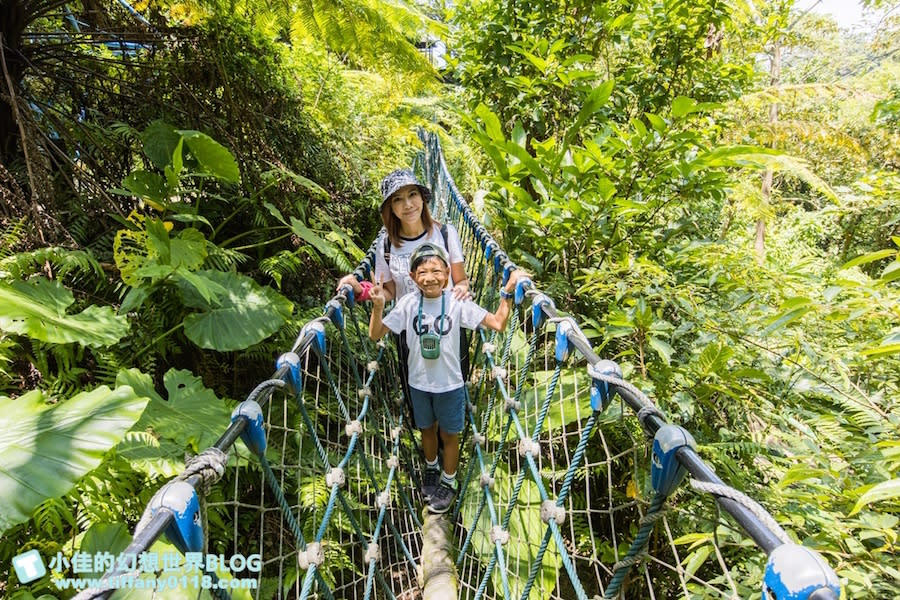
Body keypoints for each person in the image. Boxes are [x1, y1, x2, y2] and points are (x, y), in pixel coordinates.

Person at [368, 241, 529, 514]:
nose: (429, 277)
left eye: (436, 271)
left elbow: (498, 324)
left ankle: (449, 481)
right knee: (427, 429)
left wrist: (507, 292)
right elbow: (376, 334)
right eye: (421, 273)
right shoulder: (408, 303)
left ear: (447, 273)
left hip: (450, 384)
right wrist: (378, 306)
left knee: (450, 435)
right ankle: (432, 468)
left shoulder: (456, 302)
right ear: (412, 277)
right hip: (418, 383)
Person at [336, 168, 470, 303]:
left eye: (412, 194)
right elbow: (389, 292)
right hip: (406, 322)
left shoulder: (446, 234)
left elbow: (461, 281)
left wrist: (461, 290)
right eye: (398, 199)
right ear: (391, 208)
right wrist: (361, 289)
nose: (408, 205)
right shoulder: (385, 244)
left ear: (422, 198)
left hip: (445, 320)